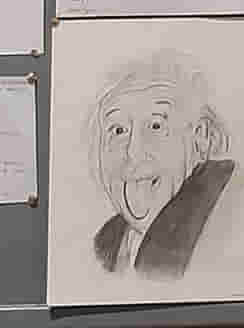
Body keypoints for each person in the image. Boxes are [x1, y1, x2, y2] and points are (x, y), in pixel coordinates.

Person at [88, 50, 235, 278]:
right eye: (118, 130)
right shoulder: (107, 245)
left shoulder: (228, 226)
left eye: (155, 126)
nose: (133, 153)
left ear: (201, 137)